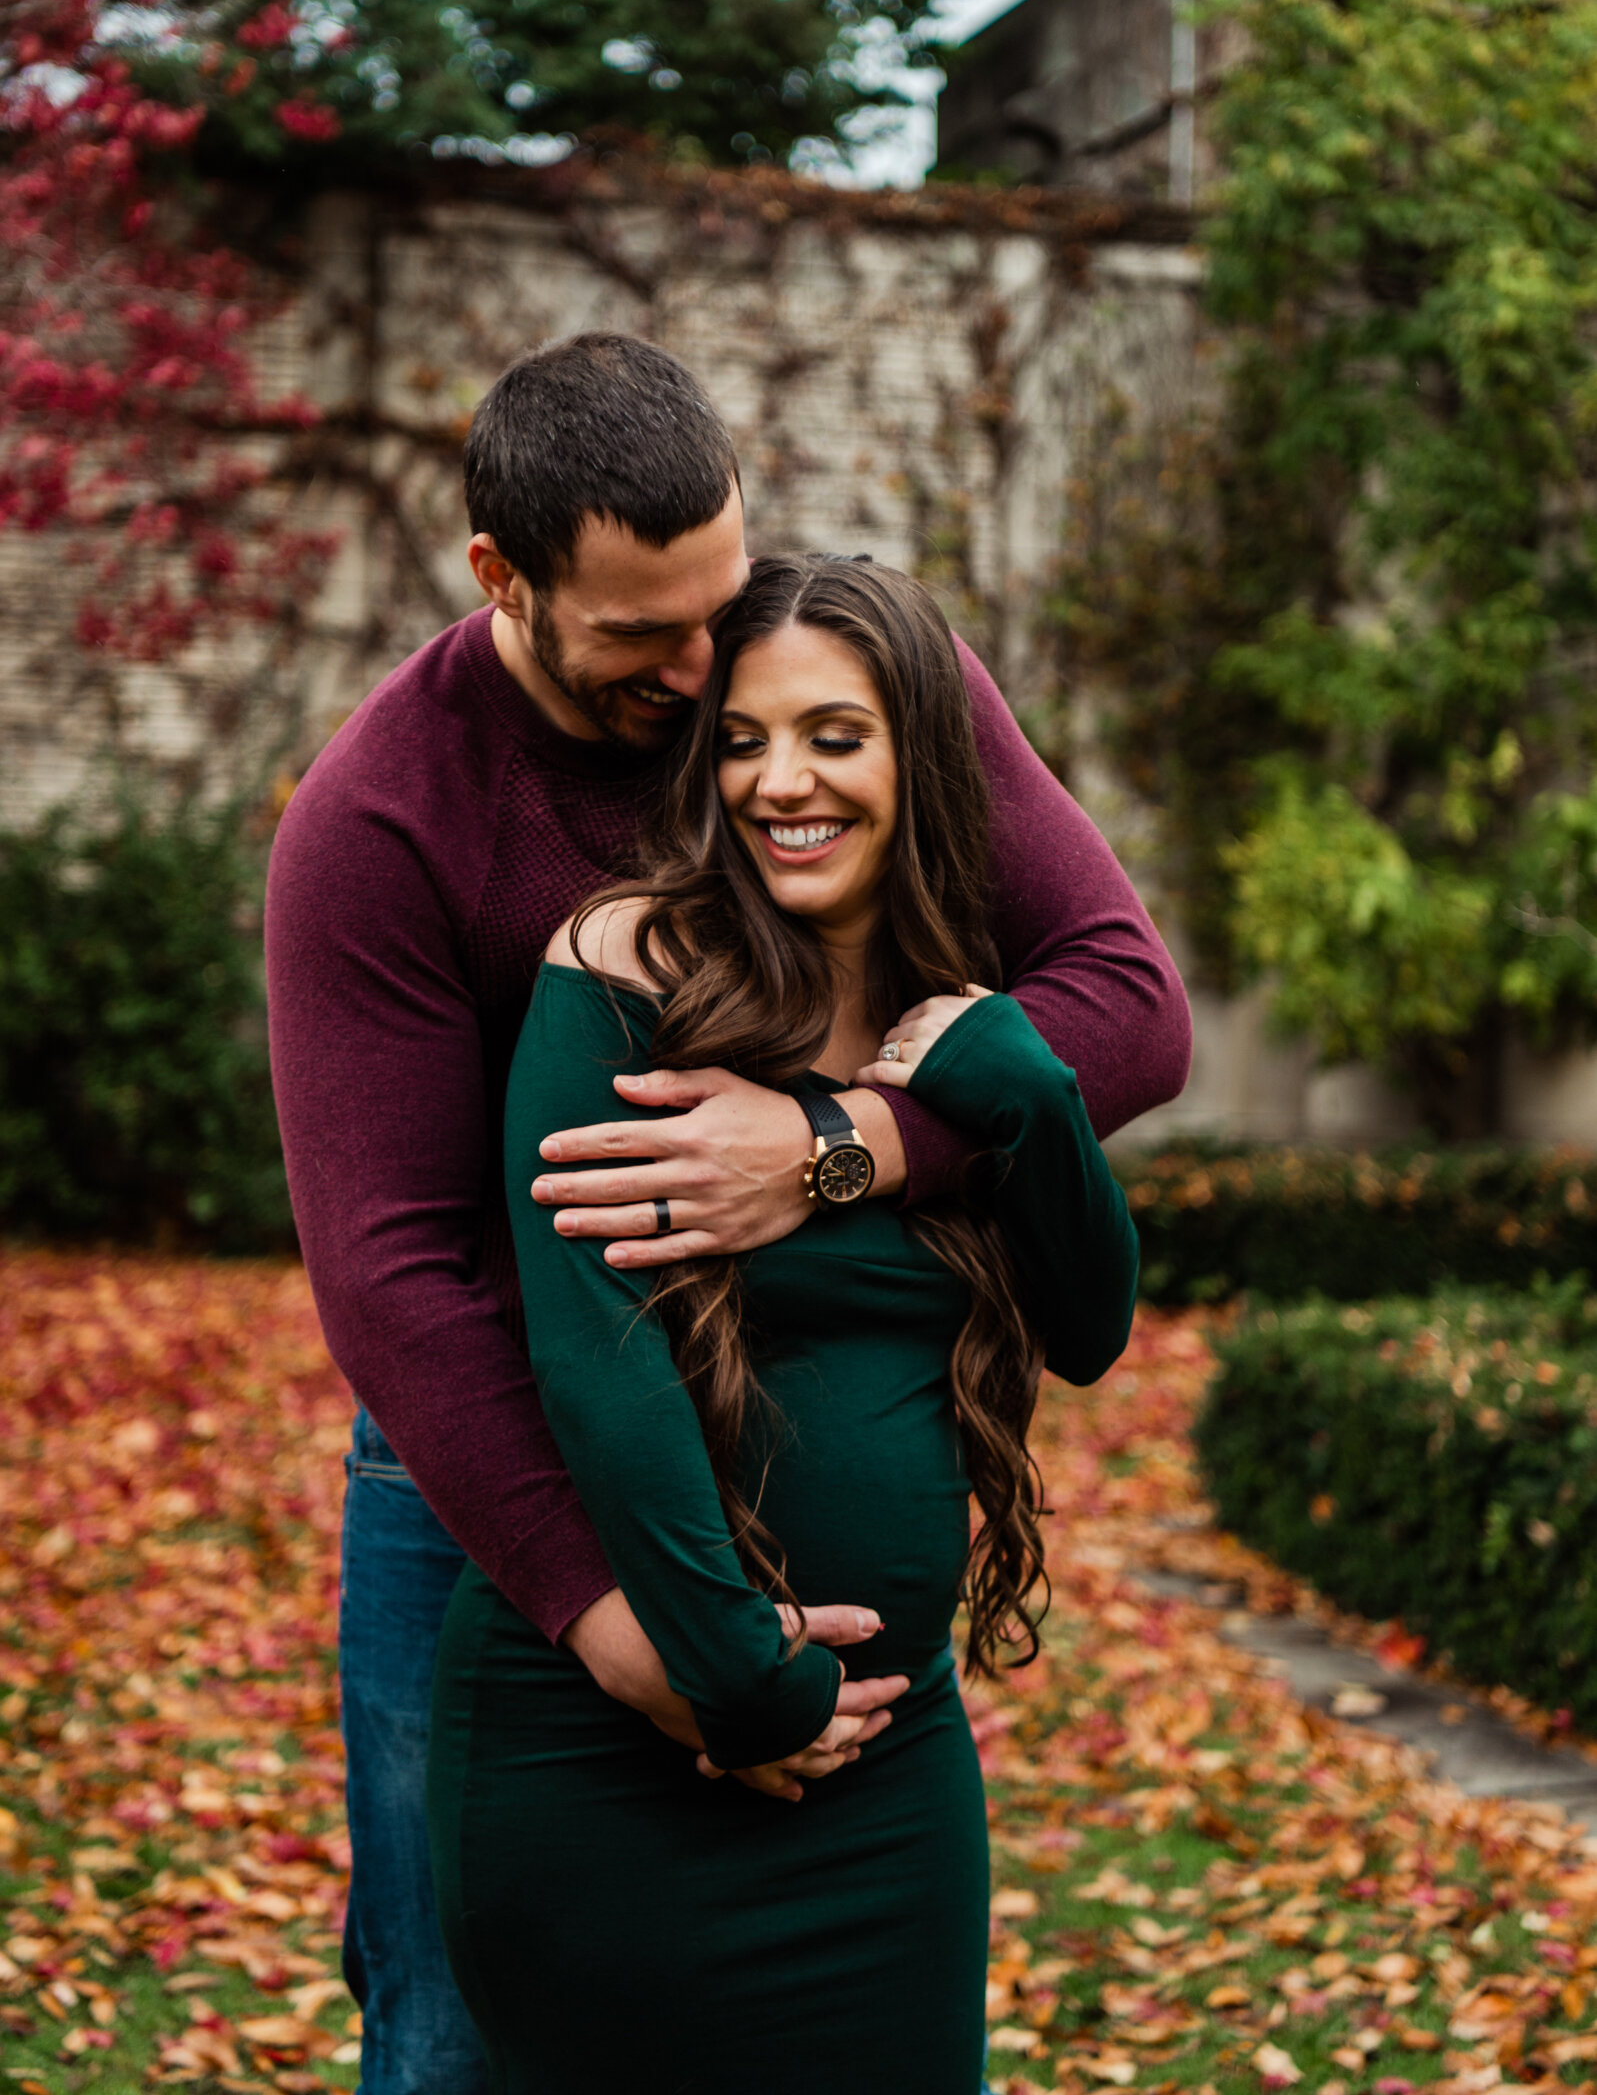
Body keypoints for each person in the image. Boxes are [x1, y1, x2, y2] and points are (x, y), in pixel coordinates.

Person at [265, 334, 1190, 2095]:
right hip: (492, 1485)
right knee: (454, 2039)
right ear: (502, 582)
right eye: (640, 637)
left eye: (717, 603)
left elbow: (1122, 1001)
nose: (703, 682)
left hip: (825, 1491)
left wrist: (841, 1144)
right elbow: (393, 1276)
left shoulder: (812, 675)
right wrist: (612, 1619)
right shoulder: (381, 820)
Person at [426, 554, 1141, 2091]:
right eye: (742, 740)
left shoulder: (954, 1016)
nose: (780, 781)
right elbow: (594, 1361)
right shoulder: (621, 970)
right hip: (613, 1754)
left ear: (915, 756)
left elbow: (1087, 1325)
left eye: (834, 734)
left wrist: (1016, 1086)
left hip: (891, 1765)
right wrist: (746, 1683)